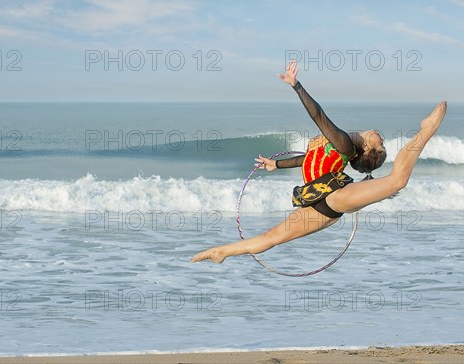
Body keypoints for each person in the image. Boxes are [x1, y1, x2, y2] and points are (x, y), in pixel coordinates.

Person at [191, 60, 447, 264]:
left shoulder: (345, 144)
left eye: (379, 143)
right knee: (270, 238)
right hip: (316, 205)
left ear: (366, 147)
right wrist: (276, 165)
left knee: (397, 180)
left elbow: (319, 116)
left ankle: (426, 129)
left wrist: (296, 85)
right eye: (380, 140)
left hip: (336, 197)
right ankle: (221, 252)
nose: (379, 137)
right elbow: (308, 159)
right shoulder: (339, 150)